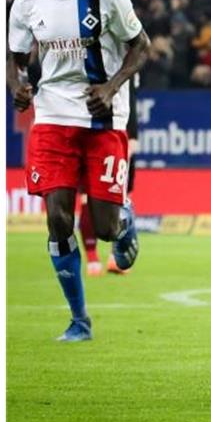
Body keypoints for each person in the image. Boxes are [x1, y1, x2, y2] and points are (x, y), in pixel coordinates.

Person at [7, 0, 149, 342]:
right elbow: (15, 58)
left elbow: (141, 47)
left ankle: (123, 222)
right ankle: (79, 320)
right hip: (51, 117)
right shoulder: (27, 2)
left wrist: (111, 86)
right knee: (57, 219)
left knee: (102, 228)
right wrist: (17, 85)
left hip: (103, 117)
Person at [80, 72, 140, 276]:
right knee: (87, 197)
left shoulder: (128, 56)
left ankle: (114, 255)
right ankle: (92, 258)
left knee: (120, 196)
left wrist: (132, 134)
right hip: (83, 128)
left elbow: (129, 95)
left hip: (115, 130)